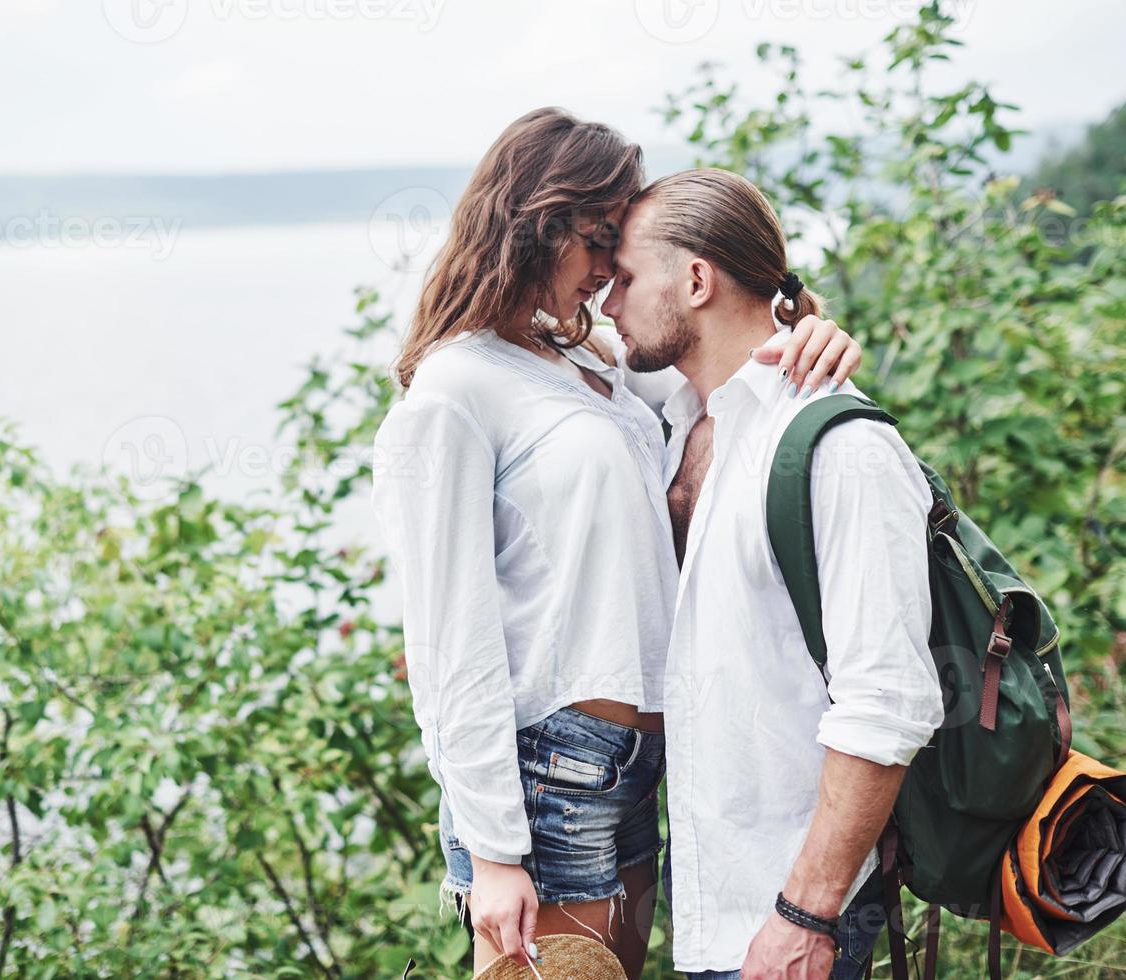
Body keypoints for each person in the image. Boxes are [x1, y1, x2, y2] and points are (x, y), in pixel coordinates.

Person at [370, 109, 865, 979]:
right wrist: (492, 851)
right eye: (601, 240)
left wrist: (808, 337)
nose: (607, 275)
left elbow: (726, 366)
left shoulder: (587, 358)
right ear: (537, 223)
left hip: (646, 766)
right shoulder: (456, 387)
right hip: (546, 774)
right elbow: (450, 637)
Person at [599, 168, 945, 980]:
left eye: (622, 280)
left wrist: (803, 917)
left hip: (791, 917)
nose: (606, 306)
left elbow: (888, 702)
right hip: (714, 908)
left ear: (694, 279)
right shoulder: (674, 419)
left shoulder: (842, 450)